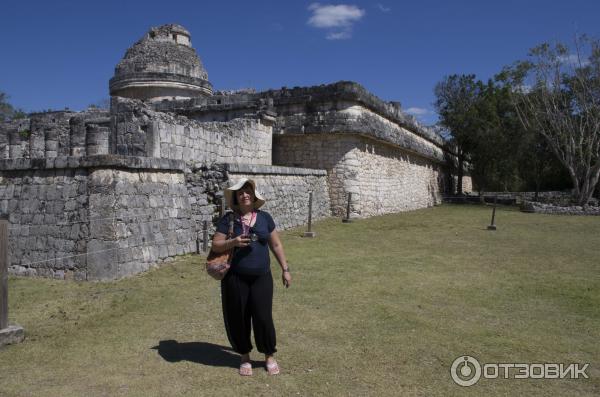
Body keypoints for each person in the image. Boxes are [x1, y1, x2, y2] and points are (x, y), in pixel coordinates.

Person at [211, 178, 292, 376]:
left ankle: (269, 355)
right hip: (235, 278)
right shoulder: (228, 219)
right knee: (238, 317)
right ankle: (244, 356)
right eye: (241, 193)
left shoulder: (265, 218)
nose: (245, 195)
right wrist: (234, 241)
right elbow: (216, 245)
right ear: (237, 198)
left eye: (248, 191)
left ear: (253, 196)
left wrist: (285, 268)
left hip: (261, 277)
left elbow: (276, 245)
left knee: (263, 318)